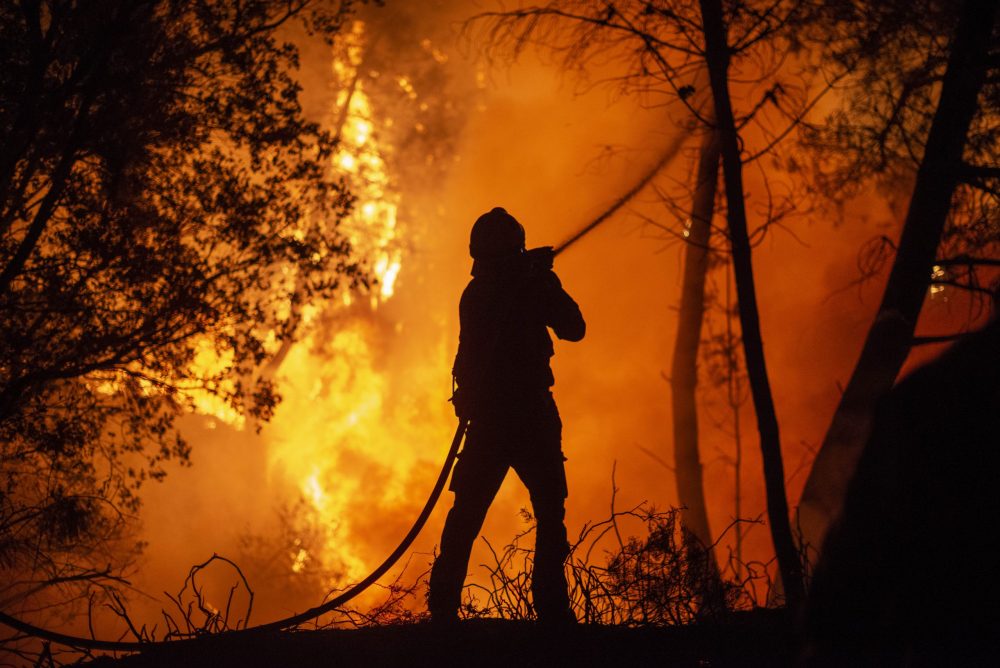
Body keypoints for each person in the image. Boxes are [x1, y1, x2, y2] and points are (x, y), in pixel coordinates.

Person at [428, 206, 585, 624]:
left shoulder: (476, 293)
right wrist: (542, 280)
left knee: (466, 516)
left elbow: (572, 328)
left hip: (492, 420)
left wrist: (538, 277)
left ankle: (442, 613)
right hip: (528, 414)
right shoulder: (524, 286)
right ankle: (552, 612)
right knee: (549, 512)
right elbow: (573, 327)